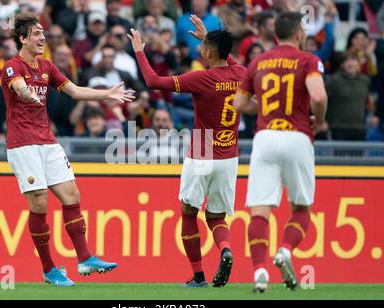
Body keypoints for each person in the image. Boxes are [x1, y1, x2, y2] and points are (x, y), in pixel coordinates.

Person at [1, 13, 135, 287]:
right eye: (37, 33)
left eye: (43, 33)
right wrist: (27, 93)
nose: (42, 38)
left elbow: (73, 91)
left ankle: (85, 258)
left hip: (48, 141)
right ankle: (49, 269)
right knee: (39, 202)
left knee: (72, 194)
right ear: (23, 38)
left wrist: (107, 93)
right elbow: (19, 87)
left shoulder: (47, 66)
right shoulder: (13, 66)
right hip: (23, 144)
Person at [129, 15, 247, 288]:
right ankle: (226, 249)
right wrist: (209, 38)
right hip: (230, 154)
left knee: (188, 212)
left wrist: (138, 50)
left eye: (204, 48)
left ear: (207, 52)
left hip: (203, 149)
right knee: (216, 217)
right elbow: (228, 60)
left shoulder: (201, 79)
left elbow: (153, 80)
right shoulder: (240, 74)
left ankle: (198, 277)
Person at [234, 12, 328, 293]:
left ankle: (260, 271)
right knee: (301, 208)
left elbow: (239, 103)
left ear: (275, 35)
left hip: (264, 139)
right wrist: (319, 120)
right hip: (297, 136)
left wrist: (262, 108)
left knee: (260, 211)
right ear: (299, 34)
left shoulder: (258, 61)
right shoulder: (308, 60)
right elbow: (319, 96)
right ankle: (285, 251)